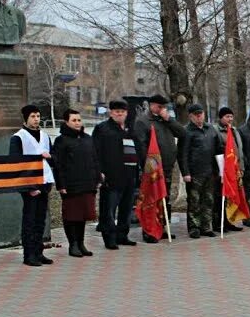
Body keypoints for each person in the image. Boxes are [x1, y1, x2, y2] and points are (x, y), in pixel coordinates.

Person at [134, 94, 186, 243]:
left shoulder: (166, 120)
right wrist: (149, 167)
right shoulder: (143, 121)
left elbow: (182, 133)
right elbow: (141, 146)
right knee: (150, 200)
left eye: (164, 107)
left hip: (167, 167)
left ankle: (162, 227)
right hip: (152, 170)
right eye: (159, 106)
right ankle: (148, 230)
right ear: (151, 106)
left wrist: (169, 119)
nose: (162, 109)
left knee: (164, 198)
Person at [9, 104, 54, 267]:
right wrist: (28, 186)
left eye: (38, 116)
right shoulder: (18, 137)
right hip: (29, 185)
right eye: (33, 116)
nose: (36, 119)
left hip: (44, 181)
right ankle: (29, 254)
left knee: (40, 219)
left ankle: (39, 251)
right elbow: (15, 164)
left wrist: (50, 157)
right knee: (30, 219)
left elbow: (52, 158)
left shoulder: (44, 136)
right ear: (26, 119)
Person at [50, 109, 100, 257]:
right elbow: (59, 165)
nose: (77, 123)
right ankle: (73, 245)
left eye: (79, 120)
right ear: (66, 122)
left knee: (83, 216)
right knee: (72, 216)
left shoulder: (87, 138)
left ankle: (81, 243)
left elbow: (94, 159)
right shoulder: (61, 140)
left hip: (87, 183)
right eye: (74, 120)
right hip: (71, 185)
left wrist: (97, 178)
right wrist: (61, 185)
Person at [93, 99, 139, 249]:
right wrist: (99, 172)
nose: (120, 114)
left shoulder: (130, 129)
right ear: (111, 112)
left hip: (130, 175)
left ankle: (122, 235)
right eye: (117, 111)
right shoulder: (102, 129)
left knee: (126, 209)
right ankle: (110, 238)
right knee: (109, 210)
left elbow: (138, 149)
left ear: (126, 113)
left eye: (123, 112)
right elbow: (96, 152)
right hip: (111, 176)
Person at [180, 104, 220, 238]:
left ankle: (206, 226)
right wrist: (185, 172)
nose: (199, 117)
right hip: (194, 172)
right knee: (194, 201)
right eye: (196, 115)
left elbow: (218, 150)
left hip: (210, 171)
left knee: (208, 200)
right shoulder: (186, 131)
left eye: (201, 114)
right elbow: (182, 154)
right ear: (190, 116)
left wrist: (220, 168)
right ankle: (194, 227)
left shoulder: (211, 130)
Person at [212, 107, 243, 232]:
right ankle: (218, 223)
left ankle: (229, 221)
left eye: (231, 116)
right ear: (221, 118)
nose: (230, 119)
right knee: (219, 197)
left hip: (234, 169)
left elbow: (239, 150)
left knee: (230, 197)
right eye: (227, 117)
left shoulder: (234, 131)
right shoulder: (215, 131)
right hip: (221, 170)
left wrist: (241, 167)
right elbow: (216, 149)